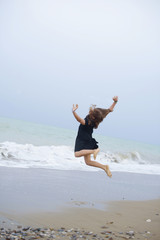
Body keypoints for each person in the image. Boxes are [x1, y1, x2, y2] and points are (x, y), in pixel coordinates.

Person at [72, 96, 118, 177]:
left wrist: (74, 112)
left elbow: (79, 120)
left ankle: (94, 151)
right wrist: (115, 102)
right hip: (89, 140)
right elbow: (109, 110)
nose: (91, 113)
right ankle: (104, 167)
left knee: (77, 154)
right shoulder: (96, 120)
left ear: (93, 116)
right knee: (88, 162)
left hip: (82, 140)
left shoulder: (88, 121)